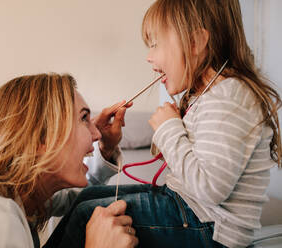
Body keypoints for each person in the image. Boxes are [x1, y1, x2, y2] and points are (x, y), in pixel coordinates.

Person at [43, 1, 282, 248]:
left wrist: (169, 129)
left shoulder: (230, 96)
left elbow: (210, 189)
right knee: (85, 199)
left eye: (155, 44)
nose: (149, 57)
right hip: (189, 209)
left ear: (195, 43)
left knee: (88, 215)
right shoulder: (210, 95)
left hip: (211, 229)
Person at [0, 73, 138, 248]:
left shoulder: (13, 197)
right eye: (84, 119)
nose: (96, 133)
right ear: (40, 138)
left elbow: (71, 196)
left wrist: (105, 149)